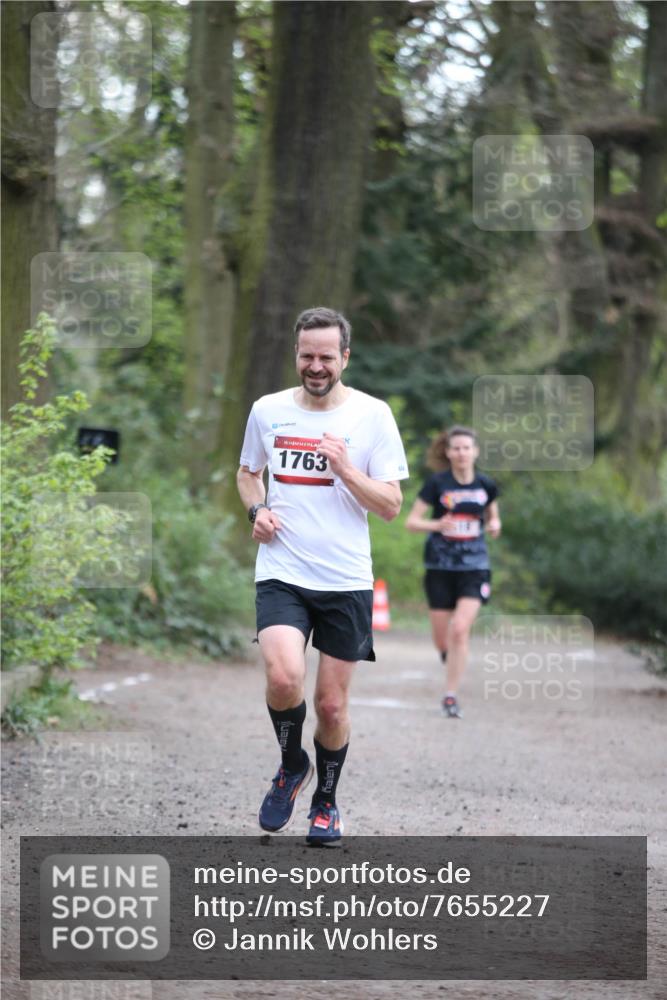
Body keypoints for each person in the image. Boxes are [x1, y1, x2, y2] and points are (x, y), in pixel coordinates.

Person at [237, 306, 409, 844]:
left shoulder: (372, 416)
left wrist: (347, 470)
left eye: (326, 357)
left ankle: (326, 803)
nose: (316, 366)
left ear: (345, 358)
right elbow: (248, 474)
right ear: (296, 354)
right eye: (307, 355)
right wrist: (256, 511)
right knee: (284, 677)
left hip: (346, 580)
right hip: (282, 571)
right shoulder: (267, 411)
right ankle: (292, 764)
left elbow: (390, 506)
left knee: (332, 705)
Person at [405, 426, 501, 719]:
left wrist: (495, 525)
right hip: (440, 566)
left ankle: (450, 695)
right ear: (448, 452)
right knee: (442, 639)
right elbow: (412, 522)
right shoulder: (437, 484)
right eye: (456, 448)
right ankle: (451, 658)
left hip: (474, 566)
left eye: (466, 448)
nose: (461, 453)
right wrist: (437, 525)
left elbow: (493, 518)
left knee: (460, 629)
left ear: (476, 451)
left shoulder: (486, 484)